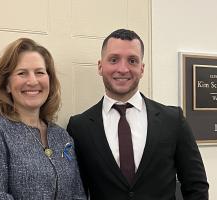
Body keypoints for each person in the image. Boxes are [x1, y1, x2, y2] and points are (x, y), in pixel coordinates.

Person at [67, 29, 209, 200]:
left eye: (132, 61)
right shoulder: (79, 127)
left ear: (141, 68)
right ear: (100, 66)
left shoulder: (173, 120)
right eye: (114, 60)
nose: (123, 69)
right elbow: (76, 190)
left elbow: (196, 184)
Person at [0, 38, 86, 200]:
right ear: (7, 85)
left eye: (39, 72)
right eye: (22, 73)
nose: (32, 81)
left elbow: (77, 194)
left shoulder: (62, 136)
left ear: (49, 81)